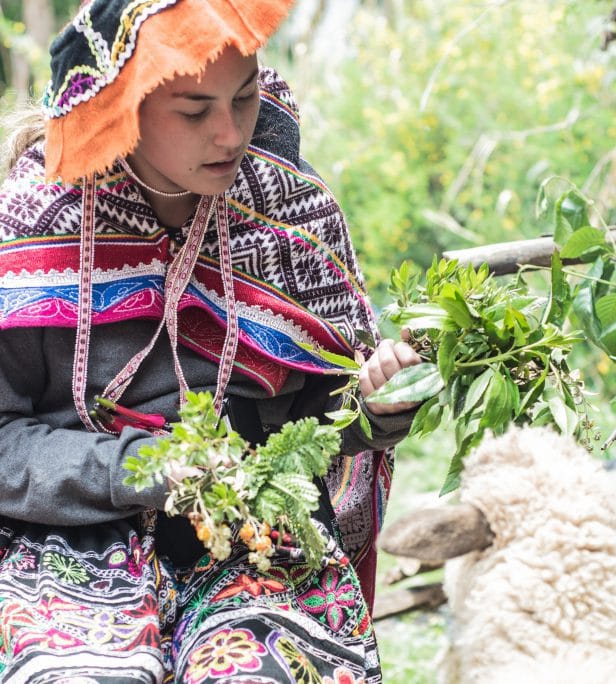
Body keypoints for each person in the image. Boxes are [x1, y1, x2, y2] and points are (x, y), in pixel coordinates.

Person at [0, 1, 423, 681]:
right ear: (123, 106)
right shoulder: (36, 223)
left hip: (257, 540)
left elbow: (316, 419)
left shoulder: (290, 212)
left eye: (247, 97)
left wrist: (373, 411)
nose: (230, 134)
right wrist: (144, 468)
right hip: (68, 540)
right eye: (195, 112)